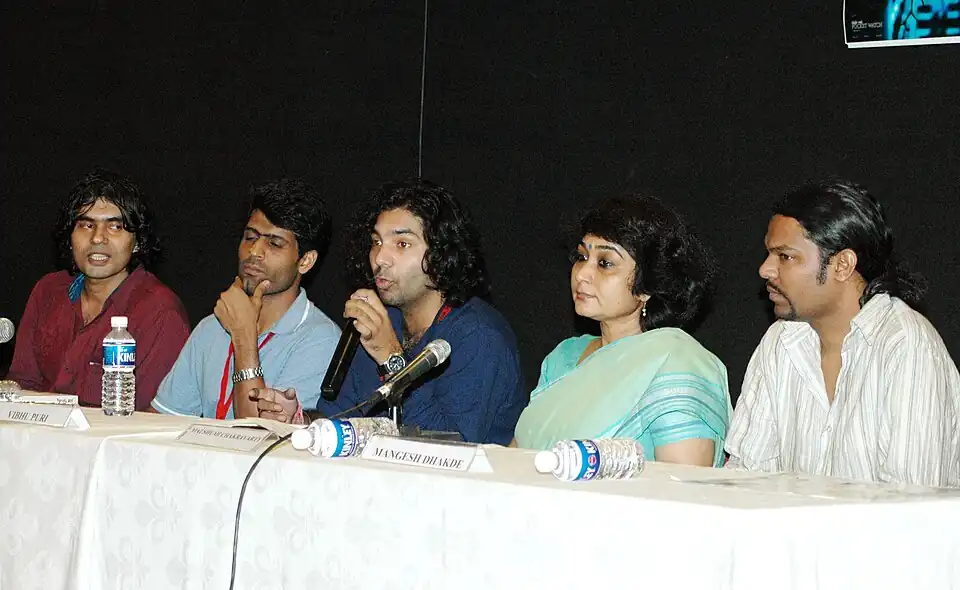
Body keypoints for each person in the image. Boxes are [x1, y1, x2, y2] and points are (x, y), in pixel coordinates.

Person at [725, 180, 960, 486]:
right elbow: (747, 477)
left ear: (843, 265)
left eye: (785, 256)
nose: (765, 269)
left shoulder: (904, 344)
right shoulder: (780, 342)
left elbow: (911, 507)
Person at [255, 179, 525, 444]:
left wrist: (391, 358)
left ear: (442, 253)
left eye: (402, 244)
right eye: (376, 242)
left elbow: (452, 449)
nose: (380, 258)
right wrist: (300, 422)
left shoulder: (479, 334)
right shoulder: (385, 321)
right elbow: (341, 418)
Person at [512, 195, 732, 467]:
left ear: (647, 286)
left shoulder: (676, 364)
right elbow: (515, 462)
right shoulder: (563, 358)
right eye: (582, 257)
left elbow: (682, 490)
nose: (582, 274)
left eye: (605, 263)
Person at [150, 179, 340, 420]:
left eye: (274, 243)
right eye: (250, 237)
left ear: (305, 261)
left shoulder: (321, 340)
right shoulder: (212, 327)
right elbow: (161, 421)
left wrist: (243, 337)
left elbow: (262, 437)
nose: (254, 252)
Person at [6, 169, 189, 408]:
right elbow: (22, 383)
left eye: (115, 227)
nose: (97, 238)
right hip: (38, 439)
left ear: (138, 243)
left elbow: (146, 421)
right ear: (70, 236)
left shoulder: (160, 313)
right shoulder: (48, 291)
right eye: (86, 225)